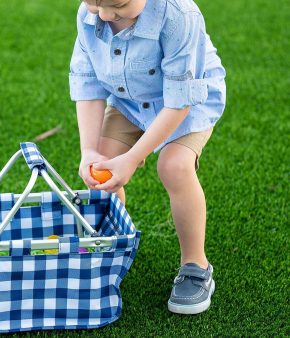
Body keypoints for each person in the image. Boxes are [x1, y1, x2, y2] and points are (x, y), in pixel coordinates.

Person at [69, 0, 226, 314]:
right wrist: (90, 151)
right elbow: (86, 82)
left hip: (185, 104)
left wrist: (132, 157)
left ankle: (196, 265)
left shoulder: (179, 16)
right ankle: (105, 252)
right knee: (100, 170)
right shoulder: (92, 12)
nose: (106, 16)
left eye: (120, 5)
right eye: (94, 5)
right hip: (130, 102)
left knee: (174, 166)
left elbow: (180, 100)